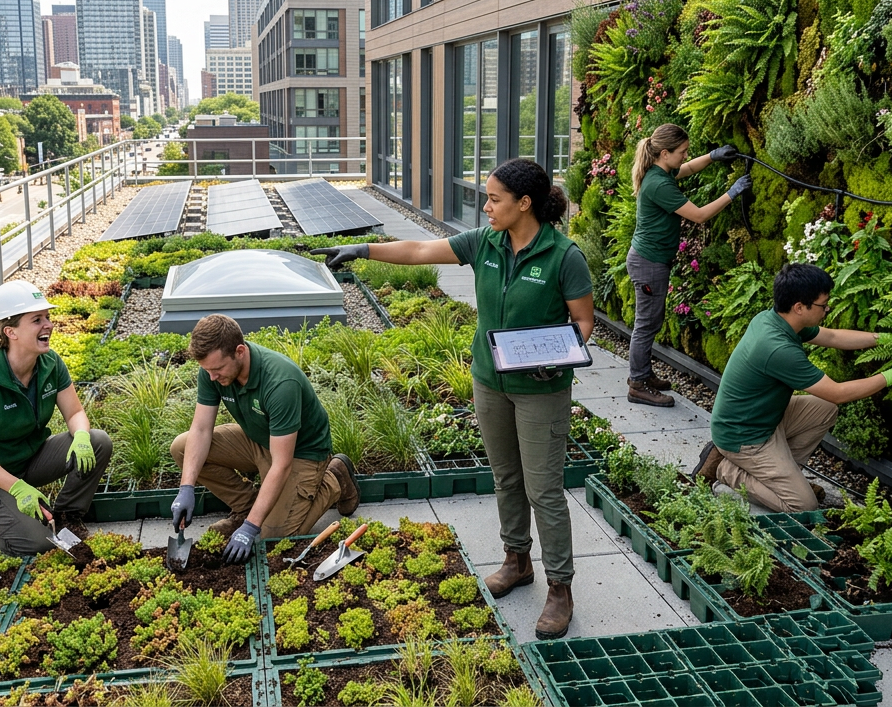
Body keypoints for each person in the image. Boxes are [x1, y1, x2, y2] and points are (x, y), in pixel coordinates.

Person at [312, 158, 593, 640]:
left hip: (541, 390)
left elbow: (583, 324)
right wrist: (362, 248)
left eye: (494, 199)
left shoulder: (563, 256)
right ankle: (517, 560)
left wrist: (559, 355)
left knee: (543, 490)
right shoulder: (484, 243)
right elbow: (420, 248)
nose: (485, 207)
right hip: (490, 382)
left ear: (525, 204)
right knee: (506, 478)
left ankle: (561, 589)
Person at [698, 264, 892, 512]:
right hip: (744, 437)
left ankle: (784, 477)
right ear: (799, 307)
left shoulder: (775, 320)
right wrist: (891, 376)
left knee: (824, 409)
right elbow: (838, 392)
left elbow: (832, 337)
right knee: (802, 505)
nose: (827, 310)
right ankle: (728, 470)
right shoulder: (777, 349)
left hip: (764, 418)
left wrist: (883, 339)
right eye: (823, 305)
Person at [168, 314, 360, 565]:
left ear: (239, 351)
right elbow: (201, 430)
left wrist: (251, 527)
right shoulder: (213, 370)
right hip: (260, 439)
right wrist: (186, 488)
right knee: (182, 449)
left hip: (302, 454)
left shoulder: (280, 382)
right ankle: (247, 507)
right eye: (207, 370)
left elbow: (282, 464)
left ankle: (335, 478)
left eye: (217, 369)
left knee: (273, 538)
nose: (212, 377)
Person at [0, 280, 113, 555]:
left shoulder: (49, 364)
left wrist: (81, 435)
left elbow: (74, 413)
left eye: (47, 317)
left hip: (28, 459)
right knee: (38, 545)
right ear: (10, 331)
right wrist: (17, 488)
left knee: (98, 441)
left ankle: (67, 515)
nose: (48, 324)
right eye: (37, 320)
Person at [625, 124, 750, 407]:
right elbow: (699, 215)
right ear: (665, 153)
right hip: (649, 263)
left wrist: (713, 156)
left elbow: (689, 169)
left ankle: (642, 374)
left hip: (651, 260)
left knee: (650, 322)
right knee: (646, 325)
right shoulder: (658, 184)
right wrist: (732, 193)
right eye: (682, 152)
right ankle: (638, 384)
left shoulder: (659, 171)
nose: (685, 156)